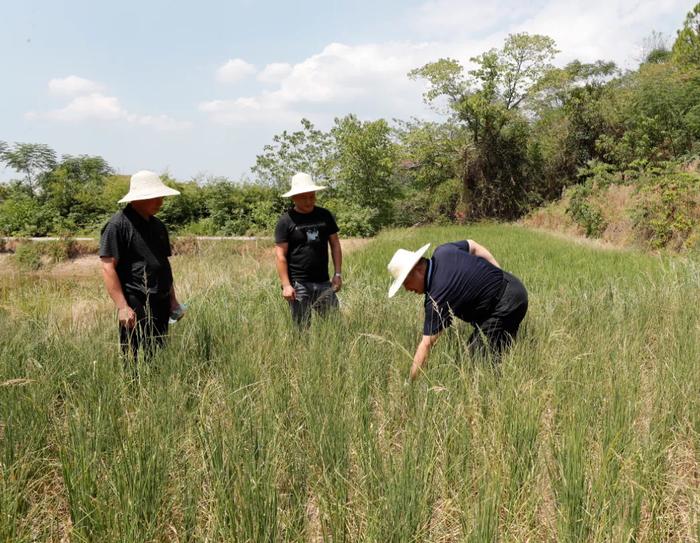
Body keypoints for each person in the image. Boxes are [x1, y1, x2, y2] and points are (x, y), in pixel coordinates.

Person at [387, 239, 528, 381]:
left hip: (507, 304)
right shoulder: (443, 251)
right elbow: (473, 245)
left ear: (417, 269)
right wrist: (498, 271)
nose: (406, 289)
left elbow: (426, 344)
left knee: (477, 361)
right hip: (513, 284)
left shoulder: (437, 297)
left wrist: (410, 383)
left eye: (405, 282)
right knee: (488, 346)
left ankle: (503, 386)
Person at [99, 170, 184, 360]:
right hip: (135, 303)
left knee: (157, 355)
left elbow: (163, 265)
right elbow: (108, 267)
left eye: (161, 196)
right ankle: (133, 391)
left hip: (161, 302)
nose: (160, 202)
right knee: (133, 357)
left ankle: (155, 389)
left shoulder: (158, 226)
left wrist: (172, 300)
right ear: (138, 198)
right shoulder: (117, 225)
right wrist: (122, 307)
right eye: (155, 197)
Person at [274, 172, 342, 328]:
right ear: (294, 198)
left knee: (335, 327)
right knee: (302, 329)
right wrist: (286, 285)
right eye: (304, 197)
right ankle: (302, 352)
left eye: (312, 196)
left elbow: (335, 245)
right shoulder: (286, 221)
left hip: (324, 283)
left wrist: (337, 274)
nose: (309, 201)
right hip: (298, 285)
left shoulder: (324, 215)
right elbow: (280, 255)